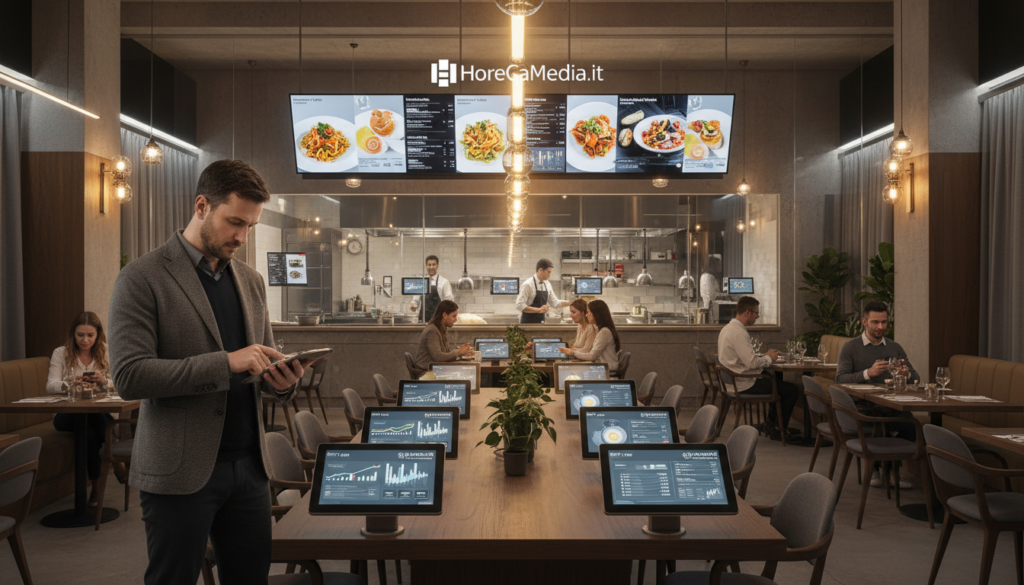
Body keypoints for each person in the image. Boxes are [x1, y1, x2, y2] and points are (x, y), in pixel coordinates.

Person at [108, 160, 309, 585]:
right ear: (202, 206)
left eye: (250, 226)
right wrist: (226, 362)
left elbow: (261, 363)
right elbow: (129, 376)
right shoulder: (141, 278)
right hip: (179, 472)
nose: (242, 236)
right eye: (235, 222)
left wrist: (283, 384)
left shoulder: (251, 281)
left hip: (251, 469)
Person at [835, 300, 919, 488]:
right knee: (880, 425)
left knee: (912, 426)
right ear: (864, 322)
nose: (880, 327)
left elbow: (916, 378)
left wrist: (906, 375)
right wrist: (868, 373)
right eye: (875, 322)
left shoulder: (894, 347)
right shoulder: (850, 347)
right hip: (862, 407)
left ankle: (887, 468)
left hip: (890, 405)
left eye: (884, 322)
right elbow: (840, 379)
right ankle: (880, 468)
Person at [46, 311, 119, 506]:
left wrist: (104, 382)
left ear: (98, 335)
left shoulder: (106, 352)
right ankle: (115, 452)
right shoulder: (61, 353)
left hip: (97, 414)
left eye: (90, 335)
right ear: (73, 334)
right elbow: (50, 385)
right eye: (80, 335)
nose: (85, 340)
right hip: (66, 415)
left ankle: (95, 488)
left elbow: (120, 383)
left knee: (89, 432)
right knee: (90, 417)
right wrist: (69, 383)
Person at [717, 296, 800, 441]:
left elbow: (745, 359)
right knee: (791, 390)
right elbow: (751, 363)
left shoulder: (727, 329)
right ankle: (778, 430)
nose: (757, 316)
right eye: (756, 313)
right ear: (748, 312)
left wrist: (765, 356)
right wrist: (769, 358)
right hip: (744, 384)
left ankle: (771, 425)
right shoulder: (739, 333)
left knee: (774, 381)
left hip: (733, 381)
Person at [558, 300, 619, 370]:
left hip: (607, 369)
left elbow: (592, 356)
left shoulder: (604, 332)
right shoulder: (601, 330)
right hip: (602, 367)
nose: (586, 315)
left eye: (588, 312)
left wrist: (572, 352)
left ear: (596, 314)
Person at [413, 299, 472, 370]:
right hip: (426, 372)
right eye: (454, 316)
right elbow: (438, 357)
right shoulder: (432, 331)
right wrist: (458, 352)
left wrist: (462, 353)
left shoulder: (441, 328)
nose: (456, 319)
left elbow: (445, 355)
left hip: (435, 369)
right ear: (444, 315)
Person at [515, 258, 565, 324]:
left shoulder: (547, 284)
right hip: (528, 324)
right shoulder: (528, 284)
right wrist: (539, 310)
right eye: (548, 272)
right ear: (541, 270)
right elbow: (519, 305)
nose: (549, 274)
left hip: (541, 323)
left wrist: (570, 303)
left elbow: (555, 302)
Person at [408, 255, 453, 323]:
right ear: (426, 266)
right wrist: (413, 306)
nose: (431, 267)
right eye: (429, 265)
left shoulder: (444, 282)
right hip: (422, 320)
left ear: (437, 266)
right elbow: (415, 301)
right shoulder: (421, 282)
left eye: (433, 264)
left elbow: (449, 301)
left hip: (438, 320)